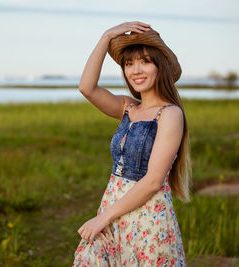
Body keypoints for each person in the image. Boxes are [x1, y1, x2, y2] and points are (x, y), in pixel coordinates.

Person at [73, 21, 192, 267]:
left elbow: (152, 181)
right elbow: (87, 87)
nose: (135, 70)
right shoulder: (128, 107)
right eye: (129, 64)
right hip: (113, 206)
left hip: (147, 217)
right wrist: (106, 36)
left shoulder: (170, 114)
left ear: (161, 67)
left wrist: (103, 218)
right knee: (89, 259)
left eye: (145, 61)